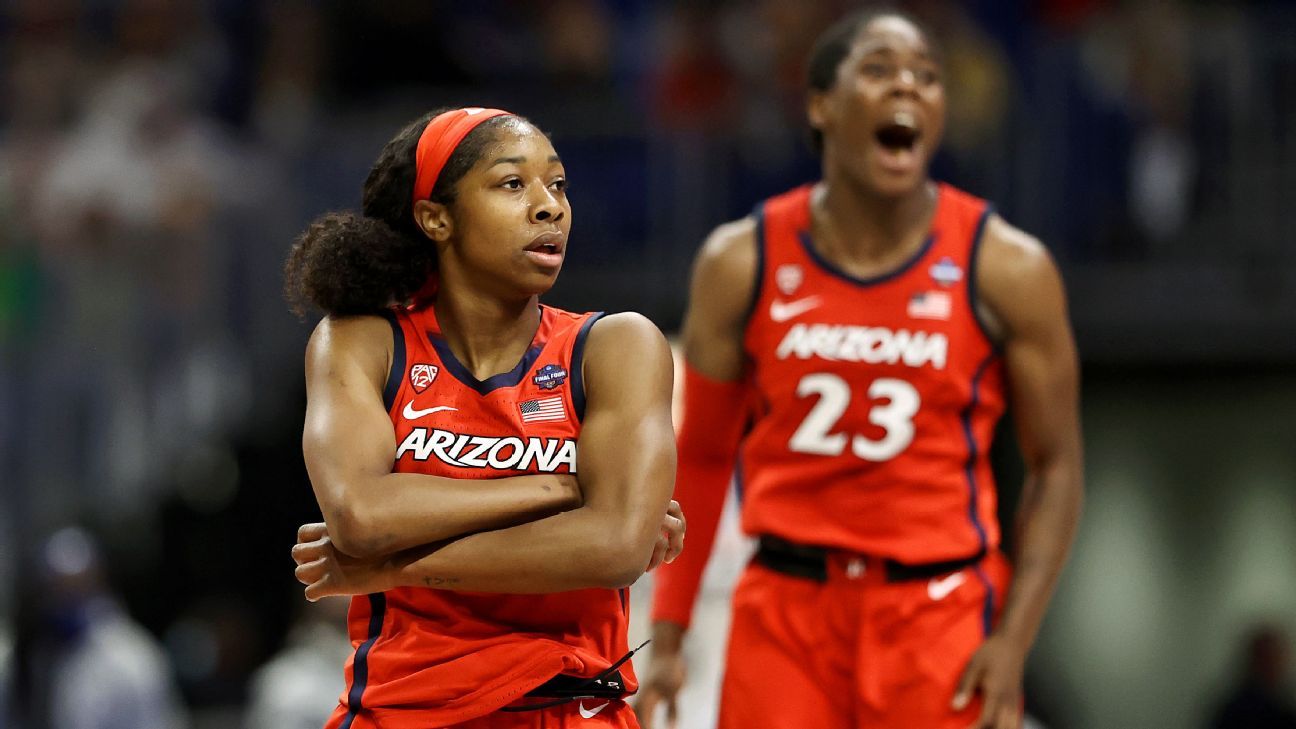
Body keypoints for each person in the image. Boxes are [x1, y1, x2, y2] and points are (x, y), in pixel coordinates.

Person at [638, 9, 1084, 729]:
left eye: (928, 77)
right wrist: (670, 633)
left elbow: (1057, 467)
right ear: (820, 104)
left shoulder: (1008, 266)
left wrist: (1014, 641)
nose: (908, 87)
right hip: (784, 608)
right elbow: (704, 454)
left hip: (936, 611)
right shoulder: (739, 260)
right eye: (879, 70)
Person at [284, 107, 684, 728]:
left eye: (557, 184)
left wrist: (392, 565)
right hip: (400, 710)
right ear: (436, 218)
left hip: (571, 708)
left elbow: (614, 546)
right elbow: (362, 516)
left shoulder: (617, 346)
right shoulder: (361, 342)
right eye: (512, 183)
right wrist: (563, 490)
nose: (549, 206)